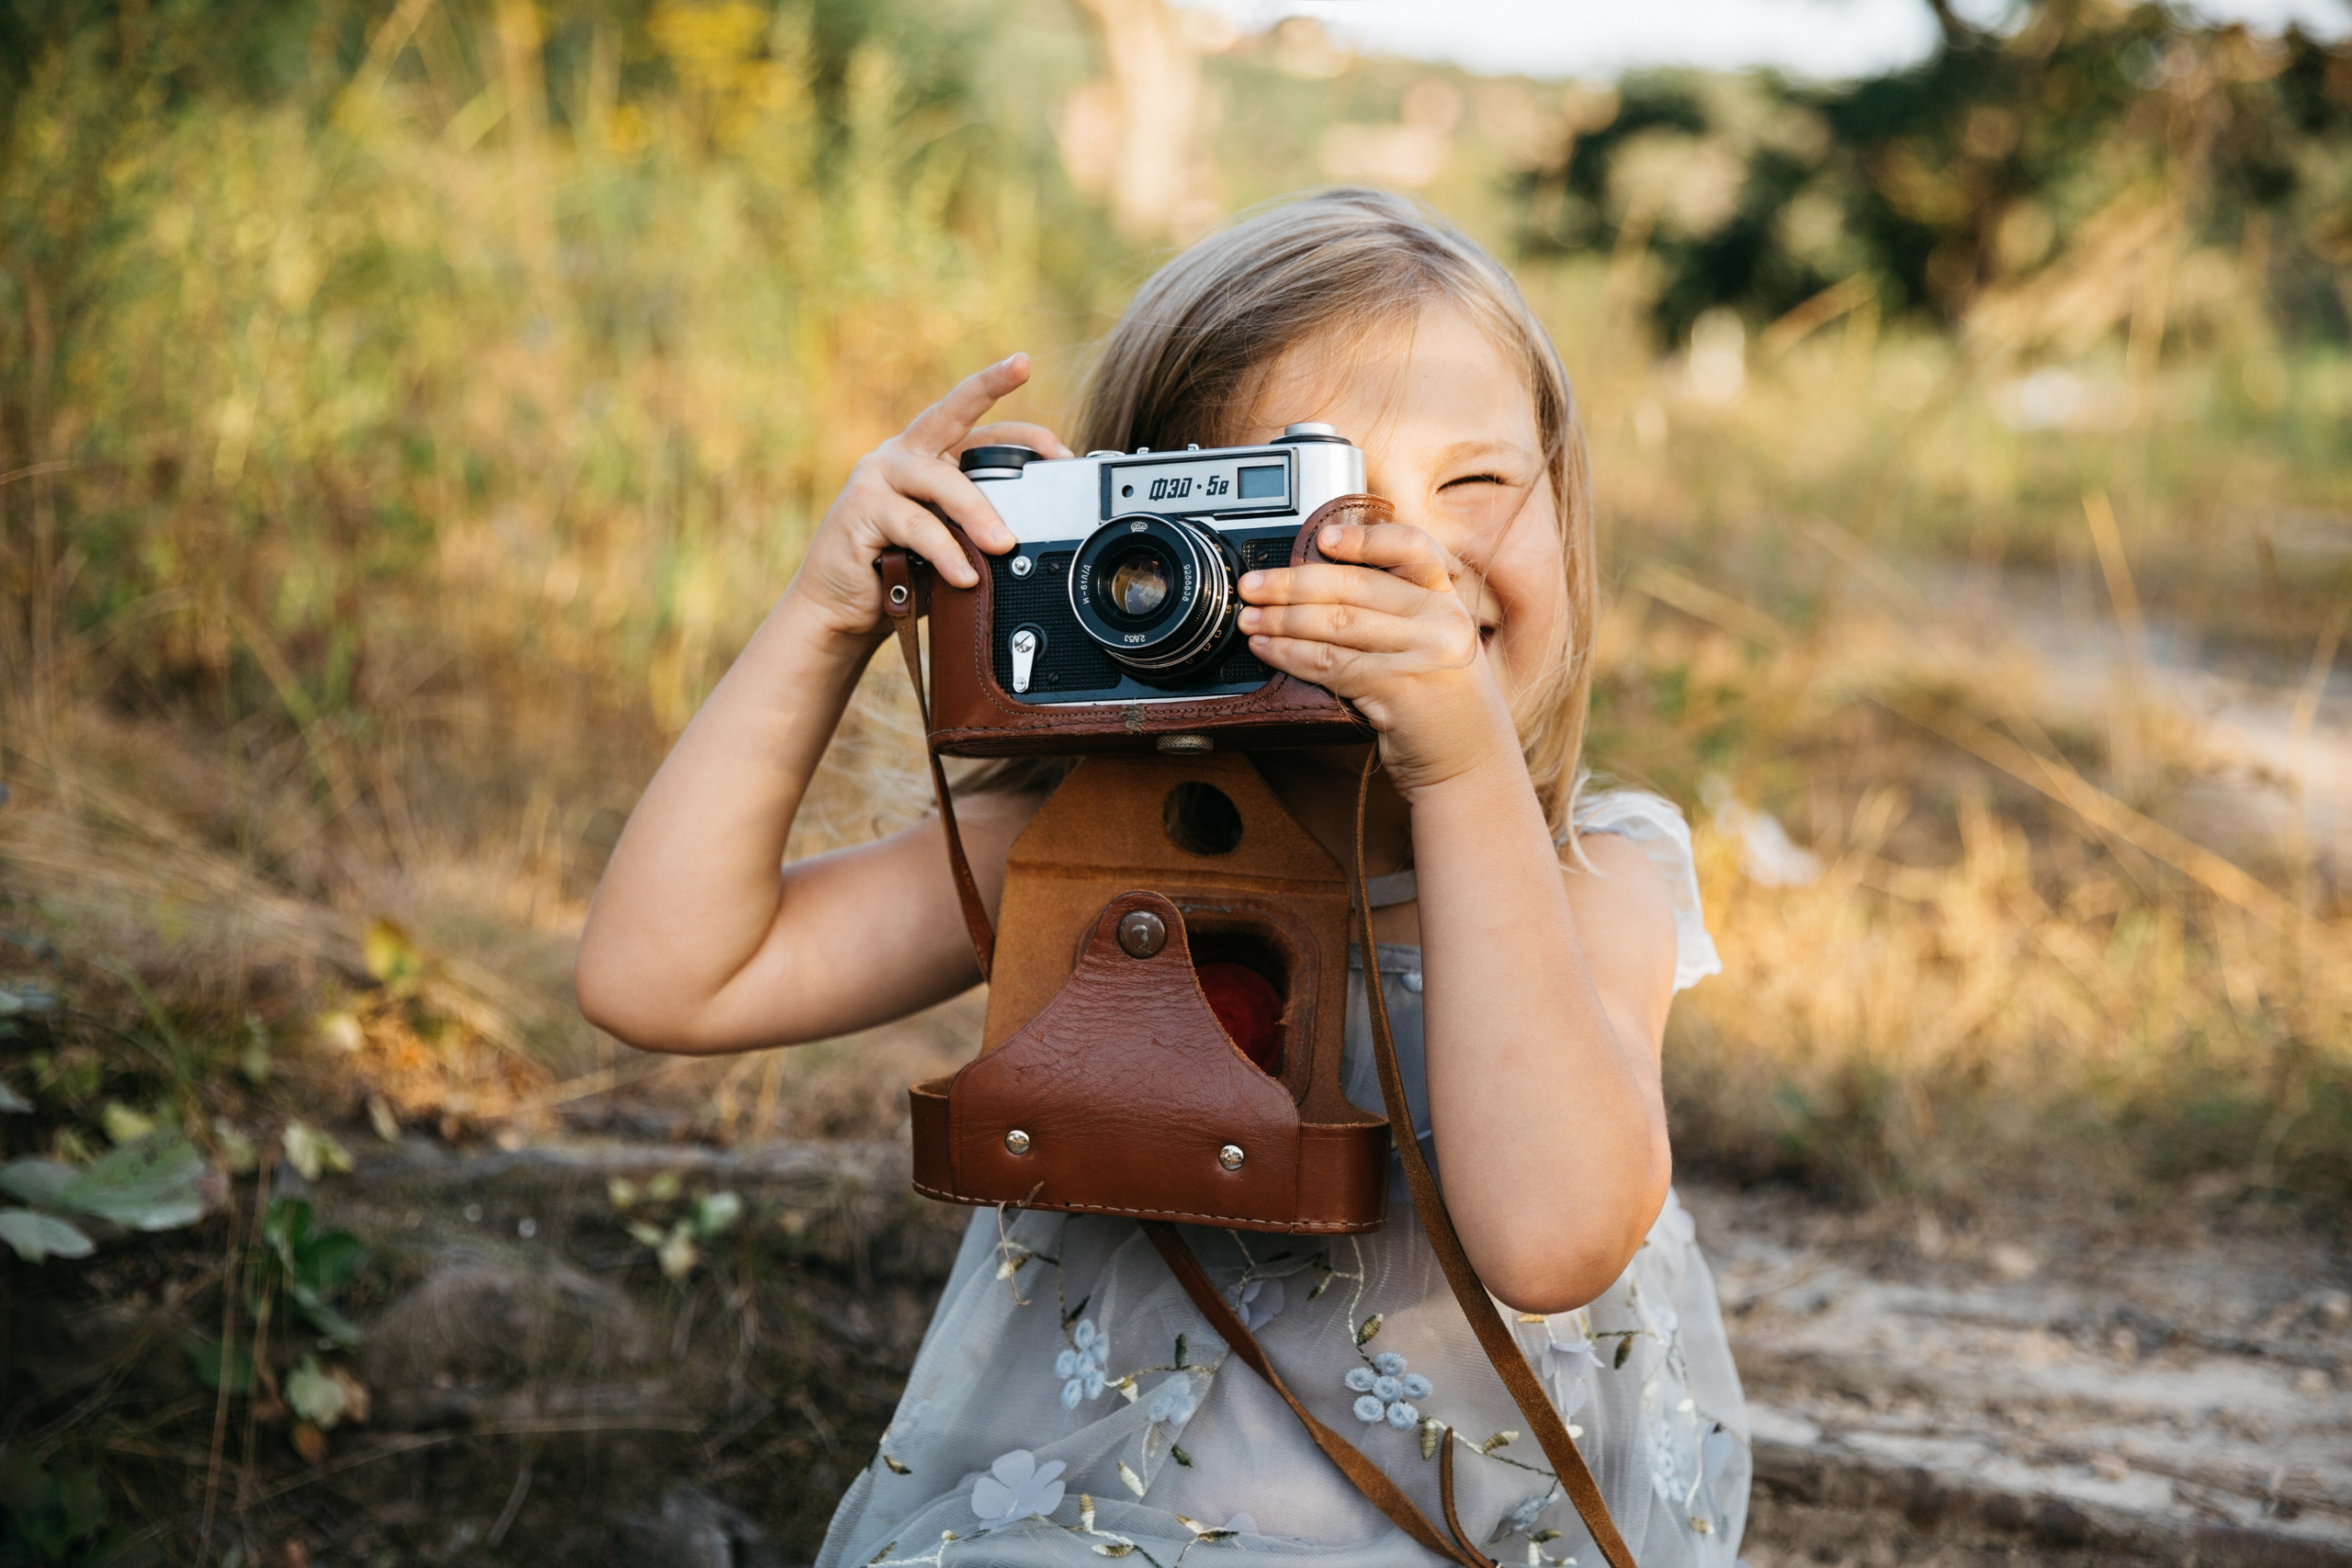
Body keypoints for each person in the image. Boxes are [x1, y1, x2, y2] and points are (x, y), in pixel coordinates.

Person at [575, 188, 1748, 1566]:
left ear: (1564, 505)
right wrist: (827, 614)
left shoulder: (1594, 875)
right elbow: (663, 977)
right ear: (1140, 548)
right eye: (1319, 503)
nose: (1415, 555)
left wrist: (1462, 770)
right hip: (1094, 1526)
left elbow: (1552, 1242)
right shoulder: (1086, 848)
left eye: (1478, 485)